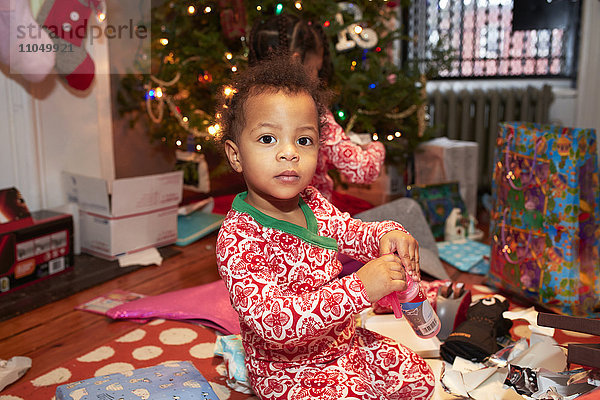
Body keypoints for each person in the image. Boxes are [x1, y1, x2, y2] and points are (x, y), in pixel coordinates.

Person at [215, 56, 434, 399]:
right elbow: (273, 320)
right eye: (269, 139)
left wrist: (386, 234)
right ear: (236, 154)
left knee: (419, 378)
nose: (289, 153)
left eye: (303, 141)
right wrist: (359, 288)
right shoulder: (238, 236)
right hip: (288, 370)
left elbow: (352, 232)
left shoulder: (312, 202)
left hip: (344, 343)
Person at [248, 13, 386, 204]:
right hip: (312, 221)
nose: (317, 77)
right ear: (297, 61)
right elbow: (363, 170)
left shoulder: (246, 107)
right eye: (315, 70)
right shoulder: (313, 113)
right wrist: (375, 148)